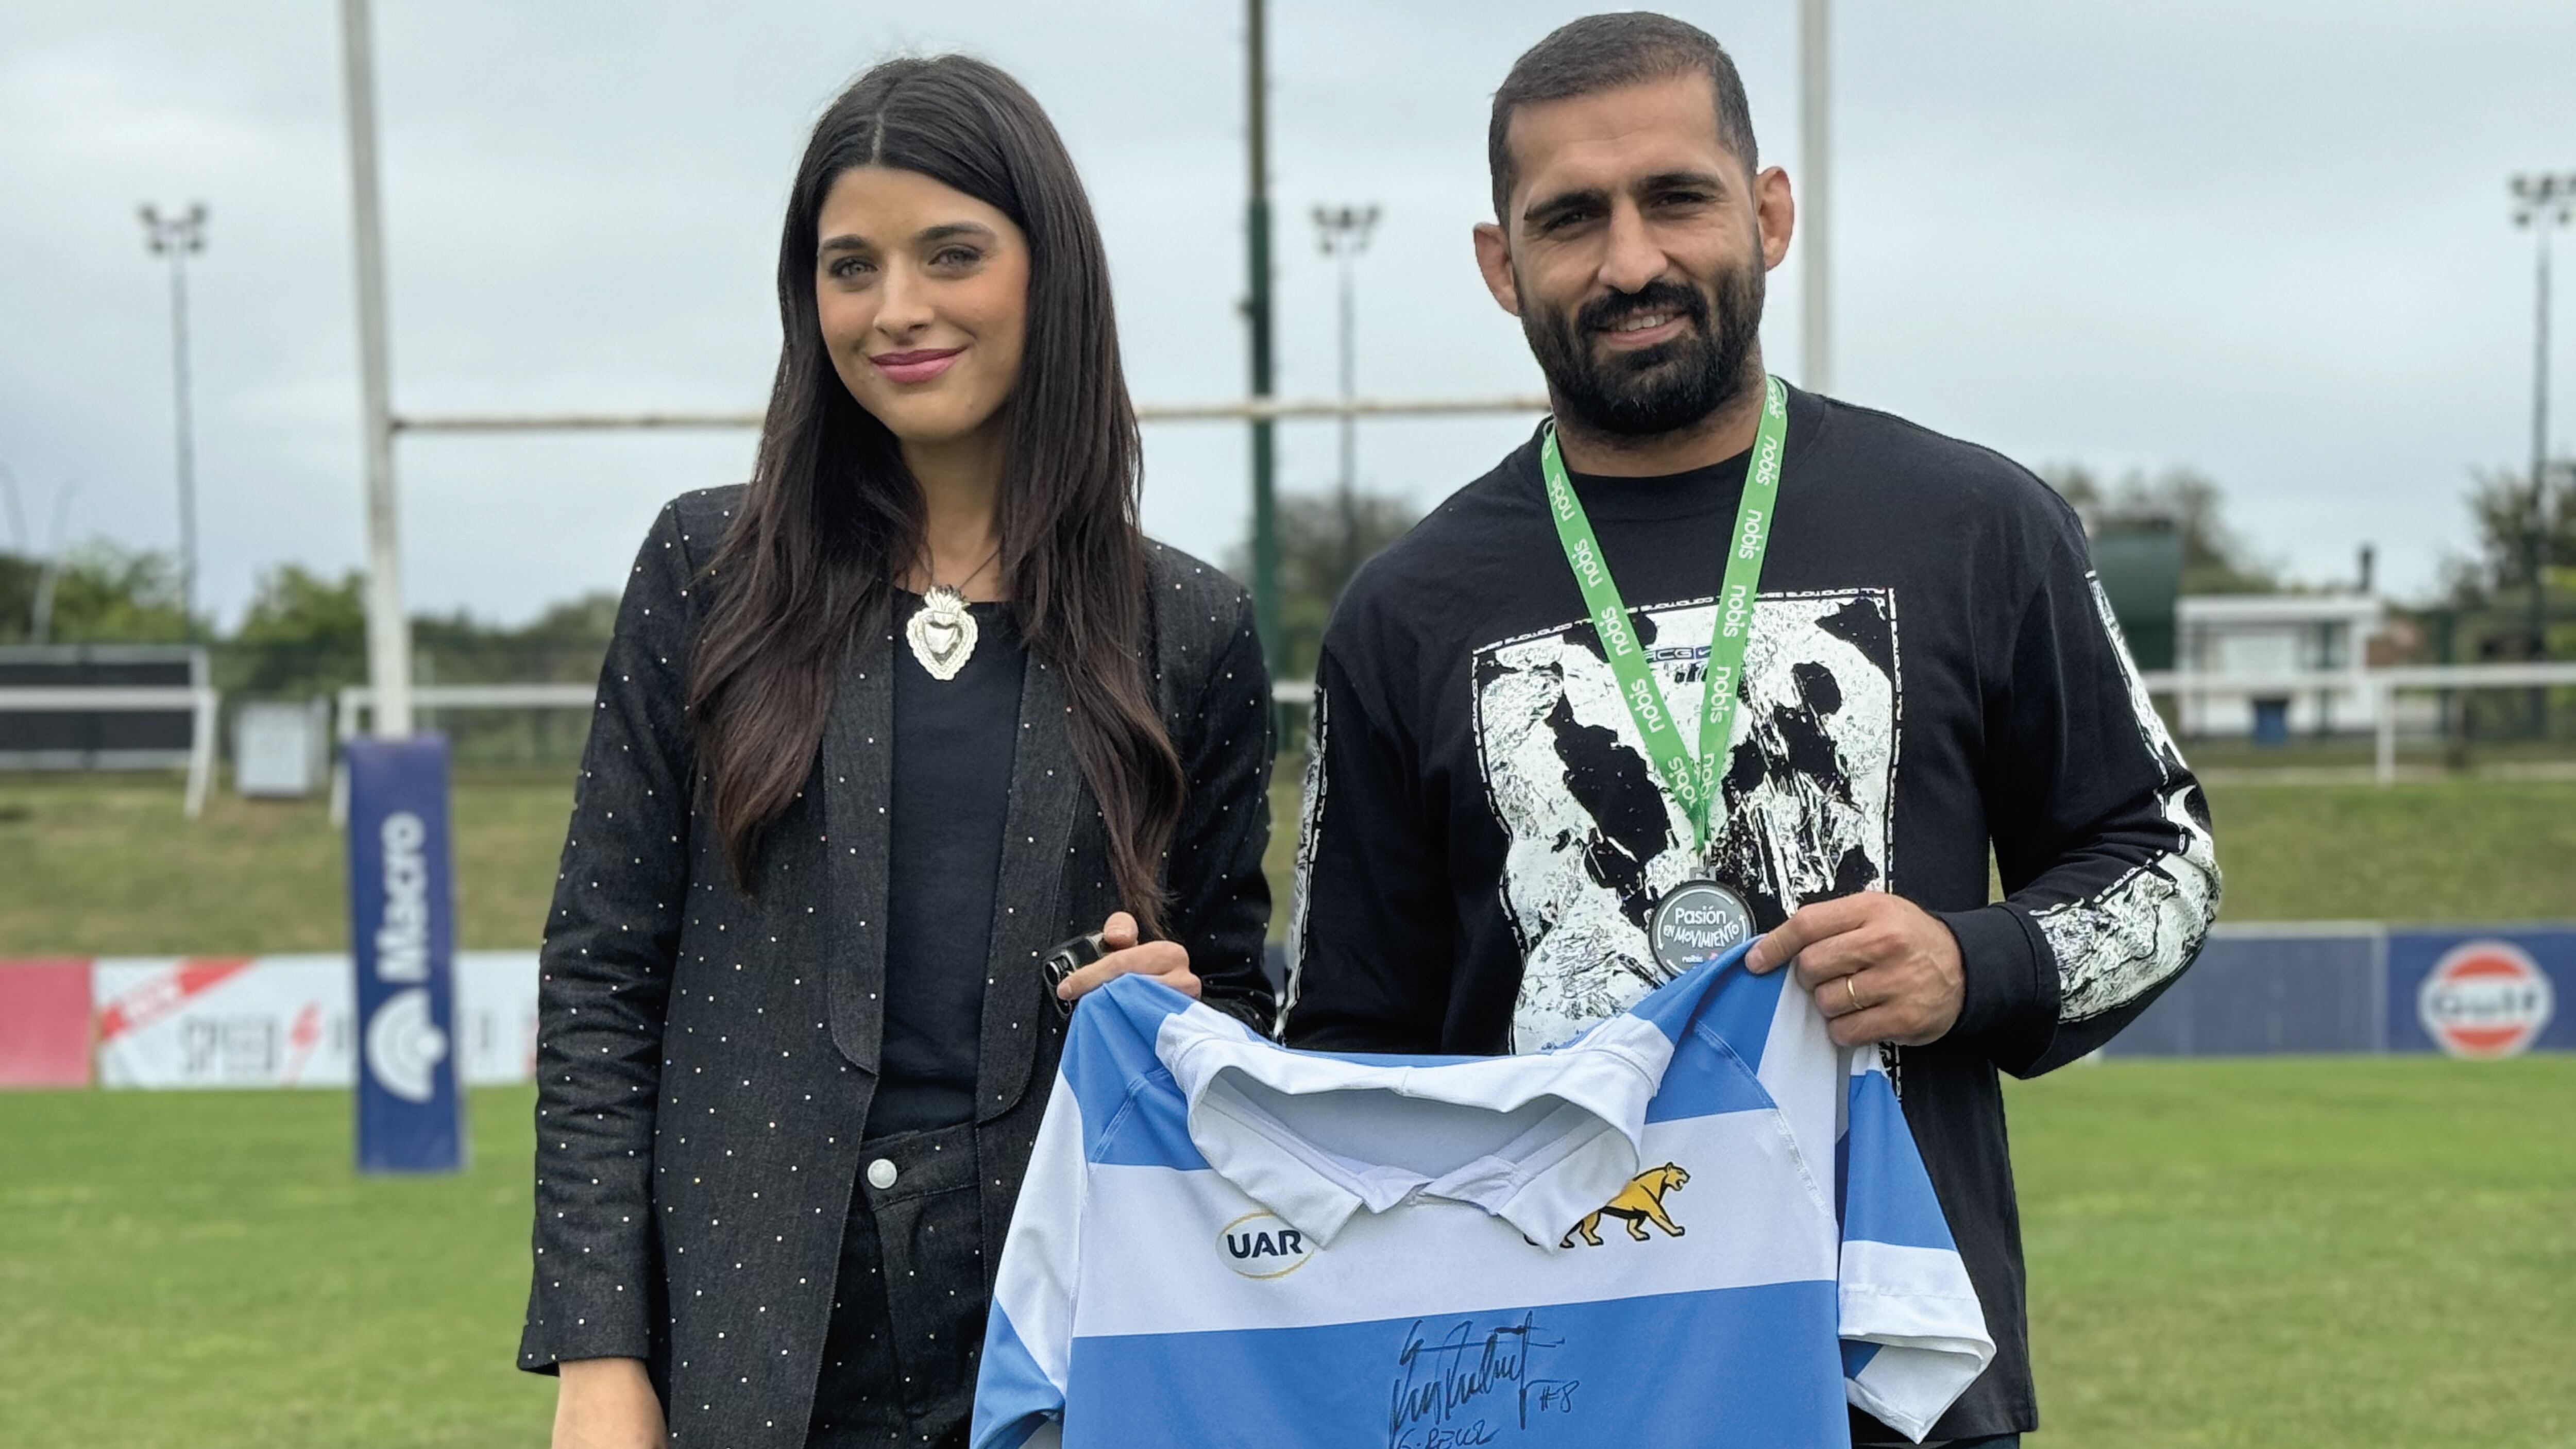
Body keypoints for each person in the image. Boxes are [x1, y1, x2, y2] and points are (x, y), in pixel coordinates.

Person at [1278, 13, 2220, 1446]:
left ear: (1768, 214)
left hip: (1890, 1387)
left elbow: (2161, 862)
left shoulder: (1977, 527)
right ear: (1500, 263)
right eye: (1570, 219)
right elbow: (1352, 1042)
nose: (1632, 261)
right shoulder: (1404, 613)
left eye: (1678, 198)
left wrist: (1973, 963)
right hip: (1532, 1388)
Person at [518, 55, 1276, 1449]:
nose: (898, 309)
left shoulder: (1192, 625)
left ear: (1050, 274)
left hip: (1070, 1334)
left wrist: (1185, 1004)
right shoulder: (706, 570)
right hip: (752, 1346)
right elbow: (601, 980)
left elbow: (1232, 999)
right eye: (848, 266)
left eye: (952, 255)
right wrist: (598, 1353)